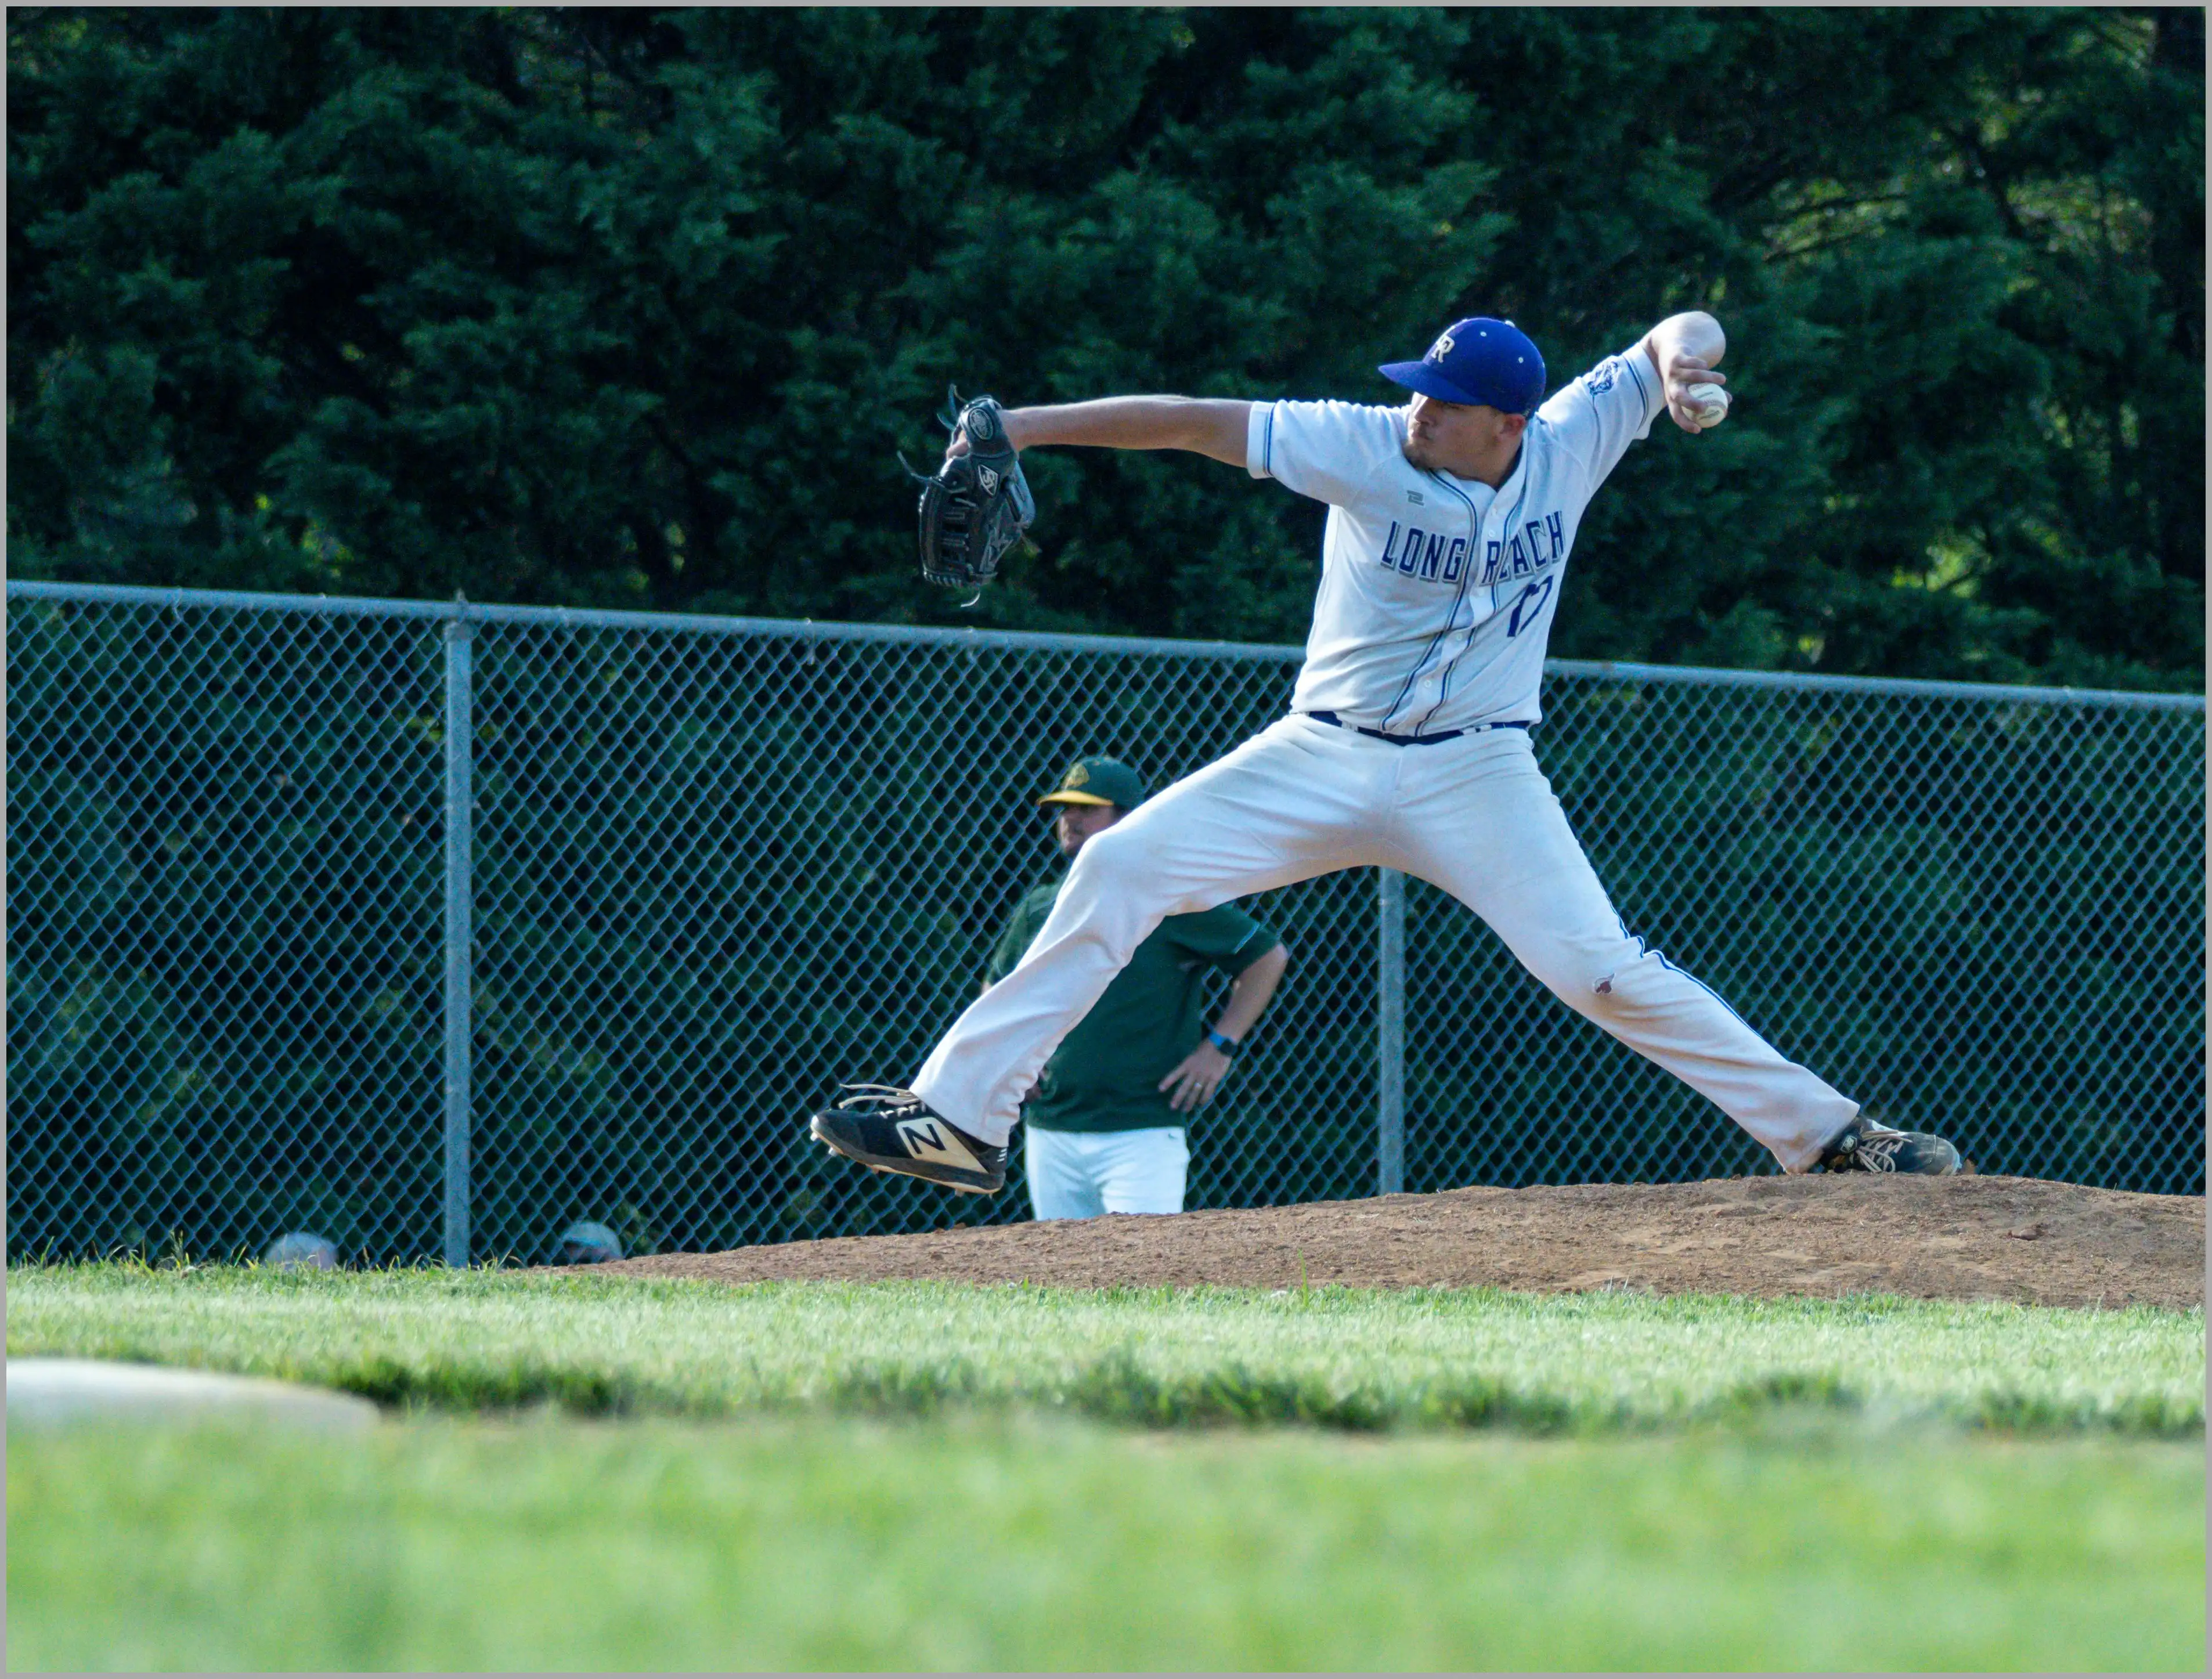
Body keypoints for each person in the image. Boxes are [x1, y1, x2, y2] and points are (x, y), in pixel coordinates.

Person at [809, 310, 1964, 1193]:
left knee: (1599, 969)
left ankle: (1831, 1139)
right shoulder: (1363, 447)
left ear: (1510, 422)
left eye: (1447, 405)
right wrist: (1024, 430)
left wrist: (1679, 370)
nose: (1420, 414)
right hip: (1320, 759)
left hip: (1479, 772)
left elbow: (1683, 327)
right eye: (1421, 392)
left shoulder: (1569, 439)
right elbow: (1192, 419)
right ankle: (960, 1119)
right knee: (1114, 868)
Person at [989, 754, 1288, 1219]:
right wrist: (1012, 1056)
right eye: (1065, 808)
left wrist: (1220, 1045)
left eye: (1088, 808)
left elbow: (1266, 956)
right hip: (1051, 1127)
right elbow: (998, 987)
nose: (1070, 818)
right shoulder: (1042, 905)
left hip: (1142, 1132)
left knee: (1143, 1273)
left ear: (1130, 819)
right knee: (1060, 1278)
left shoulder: (1166, 900)